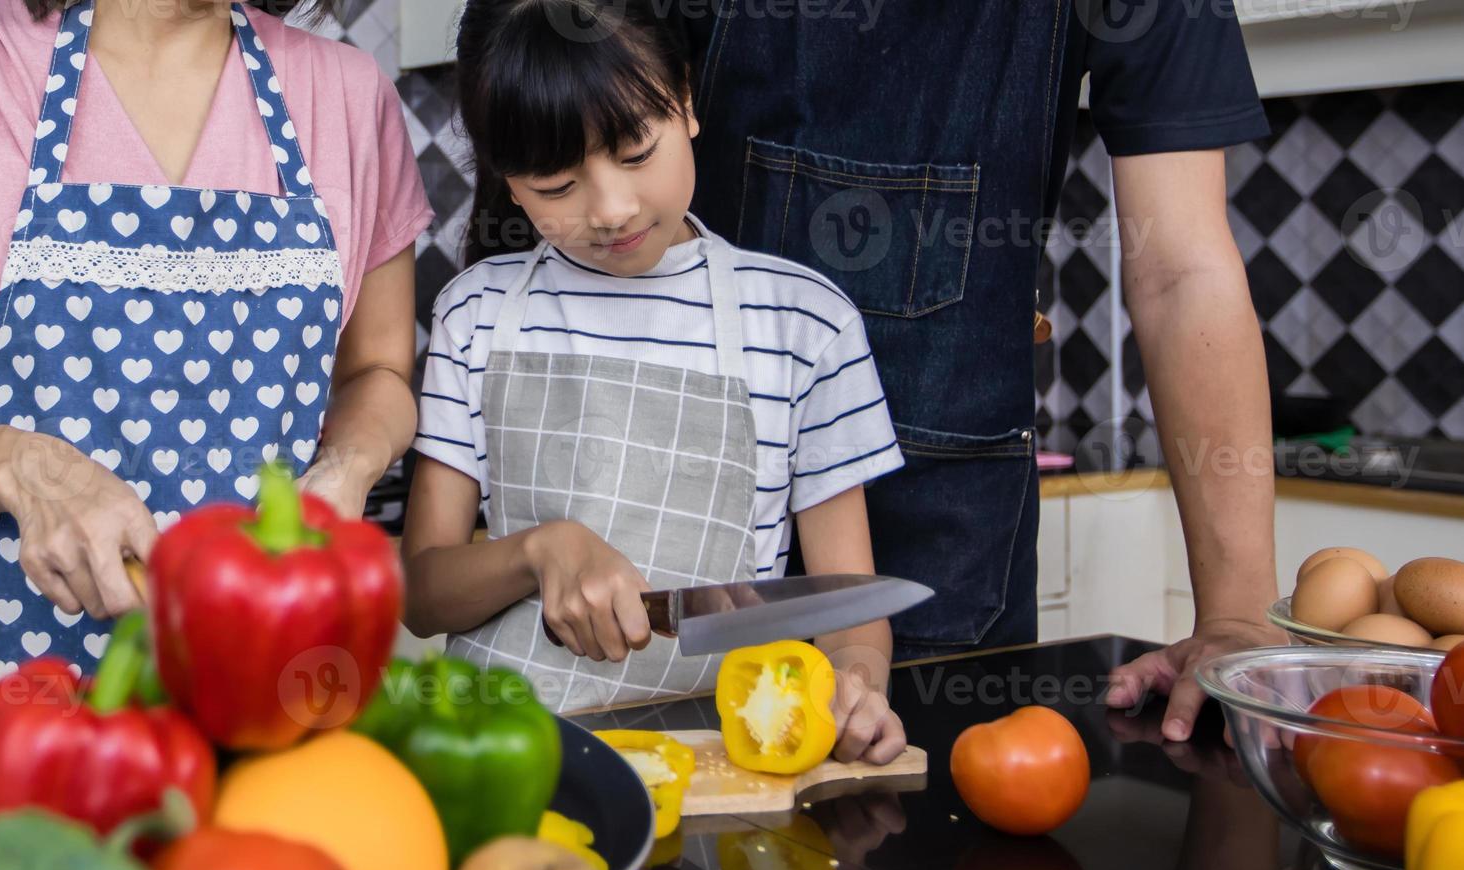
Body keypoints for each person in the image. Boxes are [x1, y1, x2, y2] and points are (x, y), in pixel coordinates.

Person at [0, 0, 431, 789]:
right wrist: (23, 466)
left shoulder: (347, 93)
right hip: (10, 680)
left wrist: (347, 465)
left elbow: (378, 372)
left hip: (265, 680)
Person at [679, 0, 1282, 737]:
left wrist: (1237, 616)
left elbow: (1181, 270)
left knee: (937, 841)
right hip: (682, 503)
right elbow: (563, 122)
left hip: (952, 548)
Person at [400, 0, 908, 763]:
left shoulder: (805, 322)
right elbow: (423, 593)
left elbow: (847, 608)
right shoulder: (474, 314)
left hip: (724, 759)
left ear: (687, 101)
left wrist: (857, 686)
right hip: (503, 760)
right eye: (556, 184)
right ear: (508, 183)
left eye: (636, 151)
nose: (611, 209)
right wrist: (541, 550)